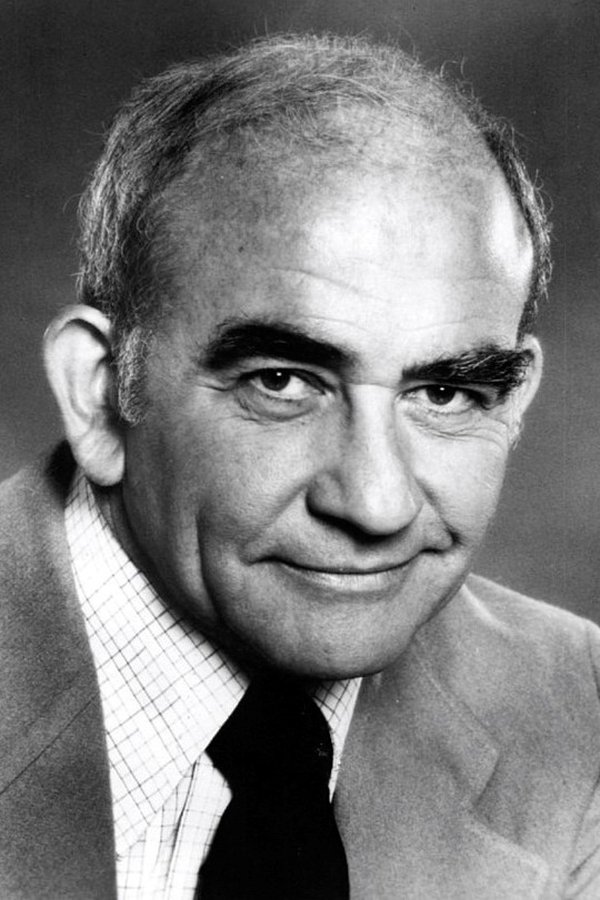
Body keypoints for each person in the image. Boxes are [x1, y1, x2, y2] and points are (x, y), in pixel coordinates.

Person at [1, 31, 599, 900]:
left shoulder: (581, 709)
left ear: (514, 399)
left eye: (445, 393)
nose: (377, 504)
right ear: (99, 393)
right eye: (282, 382)